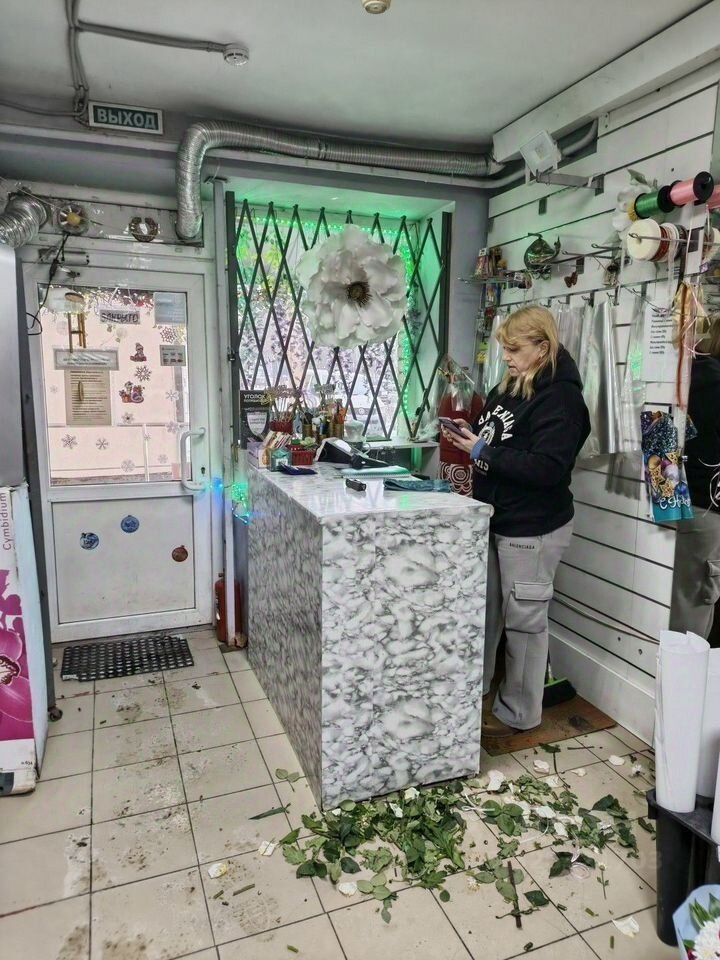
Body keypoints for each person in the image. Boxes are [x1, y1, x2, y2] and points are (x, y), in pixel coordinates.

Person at [443, 306, 591, 738]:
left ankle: (519, 713)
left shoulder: (561, 400)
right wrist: (468, 433)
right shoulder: (509, 385)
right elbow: (495, 435)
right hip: (496, 518)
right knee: (486, 613)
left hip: (532, 527)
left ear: (542, 348)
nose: (505, 356)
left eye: (514, 348)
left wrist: (481, 452)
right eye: (504, 348)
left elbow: (547, 468)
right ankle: (477, 694)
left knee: (524, 624)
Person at [670, 317, 720, 643]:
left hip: (684, 498)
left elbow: (659, 427)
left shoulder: (685, 372)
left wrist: (666, 500)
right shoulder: (711, 379)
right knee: (695, 604)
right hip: (706, 506)